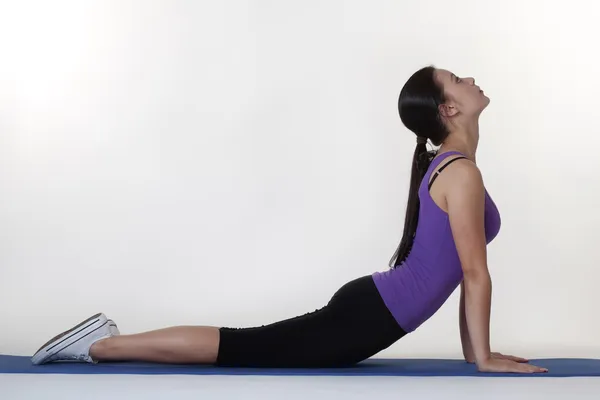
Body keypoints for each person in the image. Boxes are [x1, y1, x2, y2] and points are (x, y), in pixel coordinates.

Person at [31, 65, 548, 374]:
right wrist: (481, 359)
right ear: (448, 109)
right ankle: (101, 345)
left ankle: (106, 341)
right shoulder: (460, 174)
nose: (471, 79)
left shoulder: (455, 169)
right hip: (366, 317)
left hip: (370, 309)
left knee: (246, 344)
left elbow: (464, 274)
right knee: (240, 347)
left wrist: (473, 356)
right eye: (458, 79)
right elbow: (475, 274)